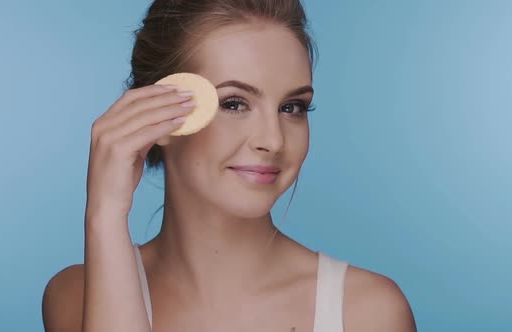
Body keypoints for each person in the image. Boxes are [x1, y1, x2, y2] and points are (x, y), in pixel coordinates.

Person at [41, 0, 417, 331]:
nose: (273, 140)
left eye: (292, 108)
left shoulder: (368, 313)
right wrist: (105, 216)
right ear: (158, 115)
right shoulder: (74, 296)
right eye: (234, 103)